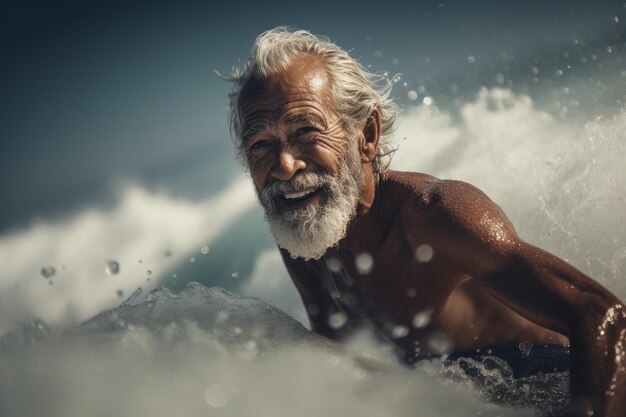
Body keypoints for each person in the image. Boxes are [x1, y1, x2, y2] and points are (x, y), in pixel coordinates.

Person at [225, 27, 625, 416]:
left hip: (550, 379)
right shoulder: (302, 237)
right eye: (260, 144)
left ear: (366, 134)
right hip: (447, 394)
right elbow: (342, 364)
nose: (284, 166)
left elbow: (600, 314)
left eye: (305, 131)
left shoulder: (436, 216)